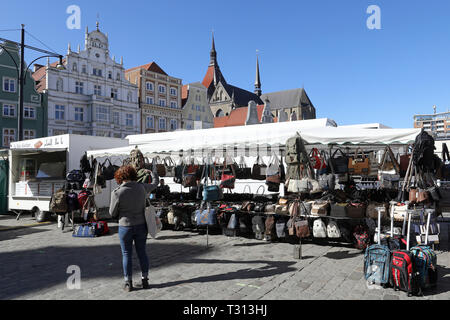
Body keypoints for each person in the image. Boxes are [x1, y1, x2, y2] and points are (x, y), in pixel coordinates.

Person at [109, 165, 159, 292]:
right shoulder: (142, 187)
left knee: (126, 254)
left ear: (120, 177)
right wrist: (152, 173)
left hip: (125, 226)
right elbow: (155, 183)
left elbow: (112, 213)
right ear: (133, 175)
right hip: (141, 225)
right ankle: (145, 279)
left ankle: (128, 283)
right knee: (142, 252)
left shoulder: (117, 192)